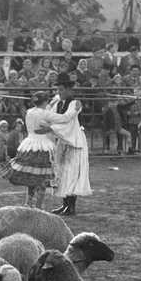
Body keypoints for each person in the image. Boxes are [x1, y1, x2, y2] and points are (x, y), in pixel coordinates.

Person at [41, 73, 91, 216]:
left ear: (69, 90)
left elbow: (66, 119)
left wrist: (51, 127)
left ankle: (71, 206)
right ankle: (65, 204)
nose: (59, 92)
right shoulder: (58, 103)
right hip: (63, 140)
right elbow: (49, 115)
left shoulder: (75, 103)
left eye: (62, 90)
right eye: (58, 90)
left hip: (75, 141)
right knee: (62, 172)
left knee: (72, 173)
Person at [5, 92, 56, 209]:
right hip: (42, 145)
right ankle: (38, 205)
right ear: (45, 101)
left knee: (31, 175)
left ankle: (28, 202)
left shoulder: (29, 111)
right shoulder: (46, 113)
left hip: (29, 144)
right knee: (42, 177)